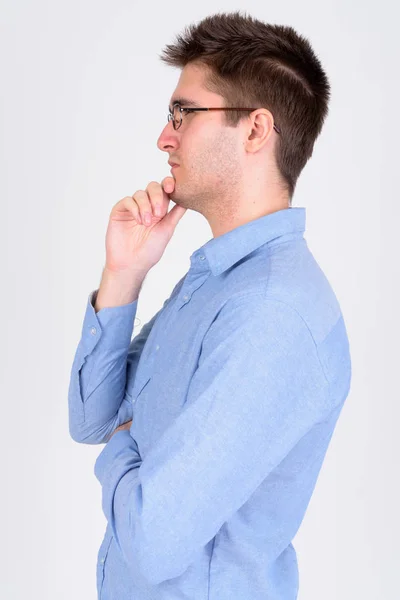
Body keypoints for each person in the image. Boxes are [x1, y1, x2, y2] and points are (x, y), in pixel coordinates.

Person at [68, 10, 352, 600]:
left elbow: (151, 541)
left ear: (254, 131)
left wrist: (125, 441)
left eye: (183, 114)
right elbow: (91, 419)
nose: (163, 136)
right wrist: (122, 276)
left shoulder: (272, 315)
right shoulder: (216, 281)